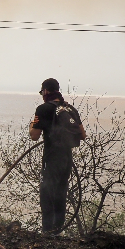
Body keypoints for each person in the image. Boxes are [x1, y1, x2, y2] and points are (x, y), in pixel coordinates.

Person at [29, 78, 86, 234]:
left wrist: (33, 123)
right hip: (67, 159)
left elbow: (34, 135)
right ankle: (57, 232)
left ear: (46, 91)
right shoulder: (70, 109)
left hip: (52, 158)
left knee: (46, 194)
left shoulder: (43, 109)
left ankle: (47, 233)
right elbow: (83, 135)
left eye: (42, 92)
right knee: (61, 193)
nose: (42, 95)